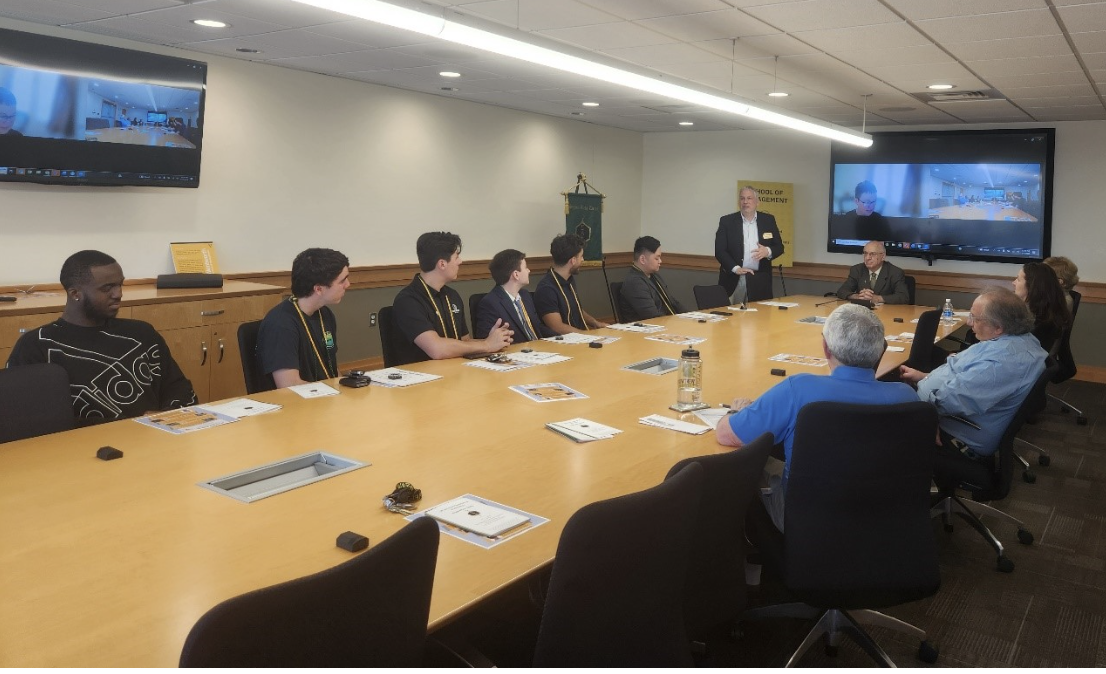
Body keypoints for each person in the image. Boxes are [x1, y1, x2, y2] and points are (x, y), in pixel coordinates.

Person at [716, 304, 917, 531]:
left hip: (808, 522)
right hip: (887, 519)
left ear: (825, 347)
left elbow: (727, 435)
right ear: (881, 350)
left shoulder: (799, 389)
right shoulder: (908, 398)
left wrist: (737, 412)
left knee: (751, 468)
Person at [6, 250, 196, 423]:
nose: (118, 294)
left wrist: (169, 415)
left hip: (155, 441)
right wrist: (128, 426)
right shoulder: (36, 346)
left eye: (120, 285)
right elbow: (28, 420)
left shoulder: (142, 334)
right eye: (107, 288)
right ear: (75, 293)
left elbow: (178, 387)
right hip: (80, 450)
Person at [899, 287, 1047, 461]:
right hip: (957, 409)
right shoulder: (1020, 340)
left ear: (998, 327)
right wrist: (925, 376)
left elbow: (944, 402)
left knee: (878, 425)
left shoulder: (997, 365)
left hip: (958, 431)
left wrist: (927, 419)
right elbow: (961, 372)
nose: (969, 323)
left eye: (975, 318)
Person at [392, 231, 512, 363]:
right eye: (456, 257)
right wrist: (486, 345)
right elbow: (437, 349)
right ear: (442, 264)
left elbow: (464, 342)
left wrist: (493, 340)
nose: (460, 261)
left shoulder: (452, 295)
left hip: (455, 369)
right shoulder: (408, 301)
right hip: (422, 376)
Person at [256, 248, 350, 388]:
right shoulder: (281, 324)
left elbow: (330, 368)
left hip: (325, 398)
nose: (347, 284)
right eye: (342, 281)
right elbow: (288, 385)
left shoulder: (325, 314)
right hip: (296, 404)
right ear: (318, 289)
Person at [714, 186, 784, 303]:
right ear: (739, 202)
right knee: (731, 317)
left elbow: (779, 247)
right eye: (742, 198)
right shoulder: (727, 221)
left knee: (760, 318)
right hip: (734, 278)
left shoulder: (768, 220)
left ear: (757, 202)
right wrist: (735, 268)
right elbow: (720, 251)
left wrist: (768, 251)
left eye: (749, 198)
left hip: (760, 278)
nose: (745, 202)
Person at [534, 233, 609, 334]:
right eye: (581, 256)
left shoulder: (569, 279)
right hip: (563, 344)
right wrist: (586, 335)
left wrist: (595, 323)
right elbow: (557, 327)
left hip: (580, 338)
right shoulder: (546, 289)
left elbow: (576, 309)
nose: (583, 260)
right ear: (573, 260)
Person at [474, 248, 550, 342]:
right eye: (525, 267)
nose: (529, 271)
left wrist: (562, 338)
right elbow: (486, 341)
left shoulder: (525, 295)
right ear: (516, 275)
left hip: (539, 350)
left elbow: (537, 327)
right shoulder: (490, 303)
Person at [618, 235, 687, 321]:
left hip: (665, 323)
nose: (660, 261)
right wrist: (676, 322)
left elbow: (673, 302)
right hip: (646, 330)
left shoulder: (654, 276)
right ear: (642, 259)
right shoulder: (634, 282)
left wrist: (690, 316)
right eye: (657, 258)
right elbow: (652, 316)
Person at [1012, 262, 1070, 354]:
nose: (1013, 283)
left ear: (1032, 286)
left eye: (1018, 279)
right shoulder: (1047, 313)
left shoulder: (1034, 321)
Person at [835, 240, 910, 304]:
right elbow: (842, 291)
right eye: (865, 253)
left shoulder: (895, 272)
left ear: (883, 256)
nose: (867, 258)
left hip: (885, 313)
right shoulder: (857, 269)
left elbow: (903, 297)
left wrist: (877, 299)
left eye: (872, 254)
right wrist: (857, 296)